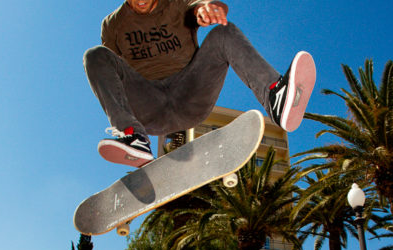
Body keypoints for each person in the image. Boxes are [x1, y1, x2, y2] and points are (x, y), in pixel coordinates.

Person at [84, 0, 316, 167]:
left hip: (189, 93)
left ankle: (276, 98)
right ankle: (134, 137)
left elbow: (204, 5)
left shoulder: (176, 3)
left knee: (224, 32)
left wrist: (210, 8)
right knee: (95, 55)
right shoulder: (112, 24)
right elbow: (109, 72)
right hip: (148, 104)